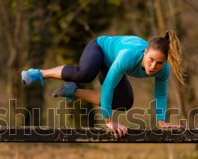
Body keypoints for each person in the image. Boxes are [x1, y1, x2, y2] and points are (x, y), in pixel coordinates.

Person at [21, 30, 185, 138]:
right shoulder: (128, 57)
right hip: (99, 48)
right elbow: (108, 86)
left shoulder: (164, 70)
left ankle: (72, 91)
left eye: (159, 63)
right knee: (85, 74)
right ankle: (39, 73)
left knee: (125, 103)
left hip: (111, 64)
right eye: (151, 60)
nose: (153, 66)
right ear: (145, 52)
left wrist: (162, 122)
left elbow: (161, 94)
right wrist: (109, 121)